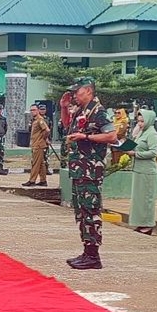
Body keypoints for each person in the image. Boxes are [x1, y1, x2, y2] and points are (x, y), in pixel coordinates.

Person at [65, 77, 118, 270]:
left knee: (91, 210)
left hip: (90, 170)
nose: (74, 95)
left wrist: (86, 136)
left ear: (88, 90)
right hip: (79, 168)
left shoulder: (99, 111)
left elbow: (112, 136)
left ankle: (94, 256)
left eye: (77, 92)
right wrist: (64, 108)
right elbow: (70, 128)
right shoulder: (82, 111)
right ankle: (87, 251)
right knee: (81, 212)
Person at [128, 109, 157, 235]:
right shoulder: (142, 132)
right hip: (139, 169)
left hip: (147, 170)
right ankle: (141, 222)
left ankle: (148, 224)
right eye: (139, 121)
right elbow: (135, 145)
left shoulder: (152, 133)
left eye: (142, 121)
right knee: (139, 199)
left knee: (147, 198)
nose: (140, 123)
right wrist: (134, 134)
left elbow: (153, 152)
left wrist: (136, 154)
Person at [23, 104, 50, 187]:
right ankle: (43, 180)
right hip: (35, 144)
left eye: (34, 110)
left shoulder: (40, 120)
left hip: (38, 145)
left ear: (38, 110)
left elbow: (47, 130)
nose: (32, 112)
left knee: (35, 163)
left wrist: (43, 139)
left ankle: (32, 180)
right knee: (41, 163)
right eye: (31, 110)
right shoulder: (34, 120)